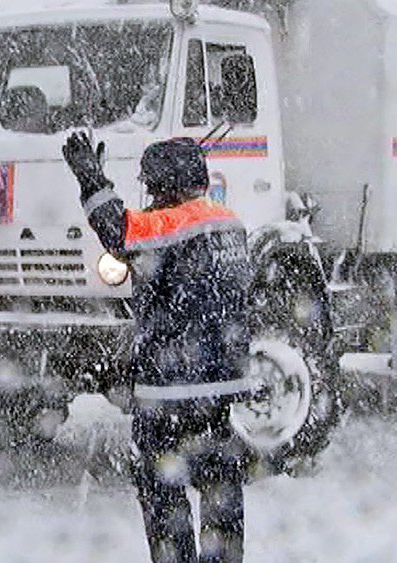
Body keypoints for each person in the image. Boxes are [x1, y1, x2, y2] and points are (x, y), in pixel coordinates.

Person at [63, 133, 253, 562]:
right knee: (221, 492)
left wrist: (92, 180)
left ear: (168, 186)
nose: (148, 198)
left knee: (164, 499)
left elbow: (120, 230)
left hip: (170, 394)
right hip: (219, 396)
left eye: (151, 188)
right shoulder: (230, 224)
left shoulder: (172, 224)